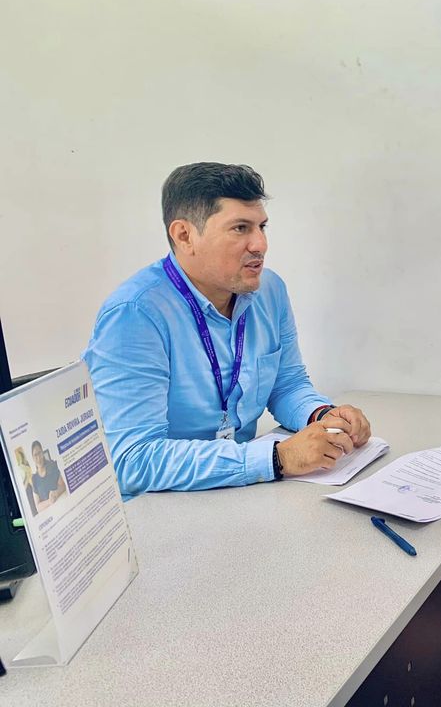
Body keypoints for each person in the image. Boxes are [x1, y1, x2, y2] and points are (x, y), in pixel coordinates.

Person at [83, 162, 370, 499]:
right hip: (163, 505)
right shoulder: (134, 314)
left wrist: (323, 416)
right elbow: (133, 460)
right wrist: (277, 458)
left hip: (240, 491)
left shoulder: (270, 290)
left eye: (262, 227)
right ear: (184, 235)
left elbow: (287, 385)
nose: (260, 244)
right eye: (240, 228)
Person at [31, 440, 66, 511]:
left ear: (42, 452)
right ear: (33, 458)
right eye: (35, 455)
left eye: (39, 453)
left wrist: (56, 492)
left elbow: (63, 486)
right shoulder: (34, 479)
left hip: (61, 507)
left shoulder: (52, 466)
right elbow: (38, 507)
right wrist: (49, 501)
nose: (38, 458)